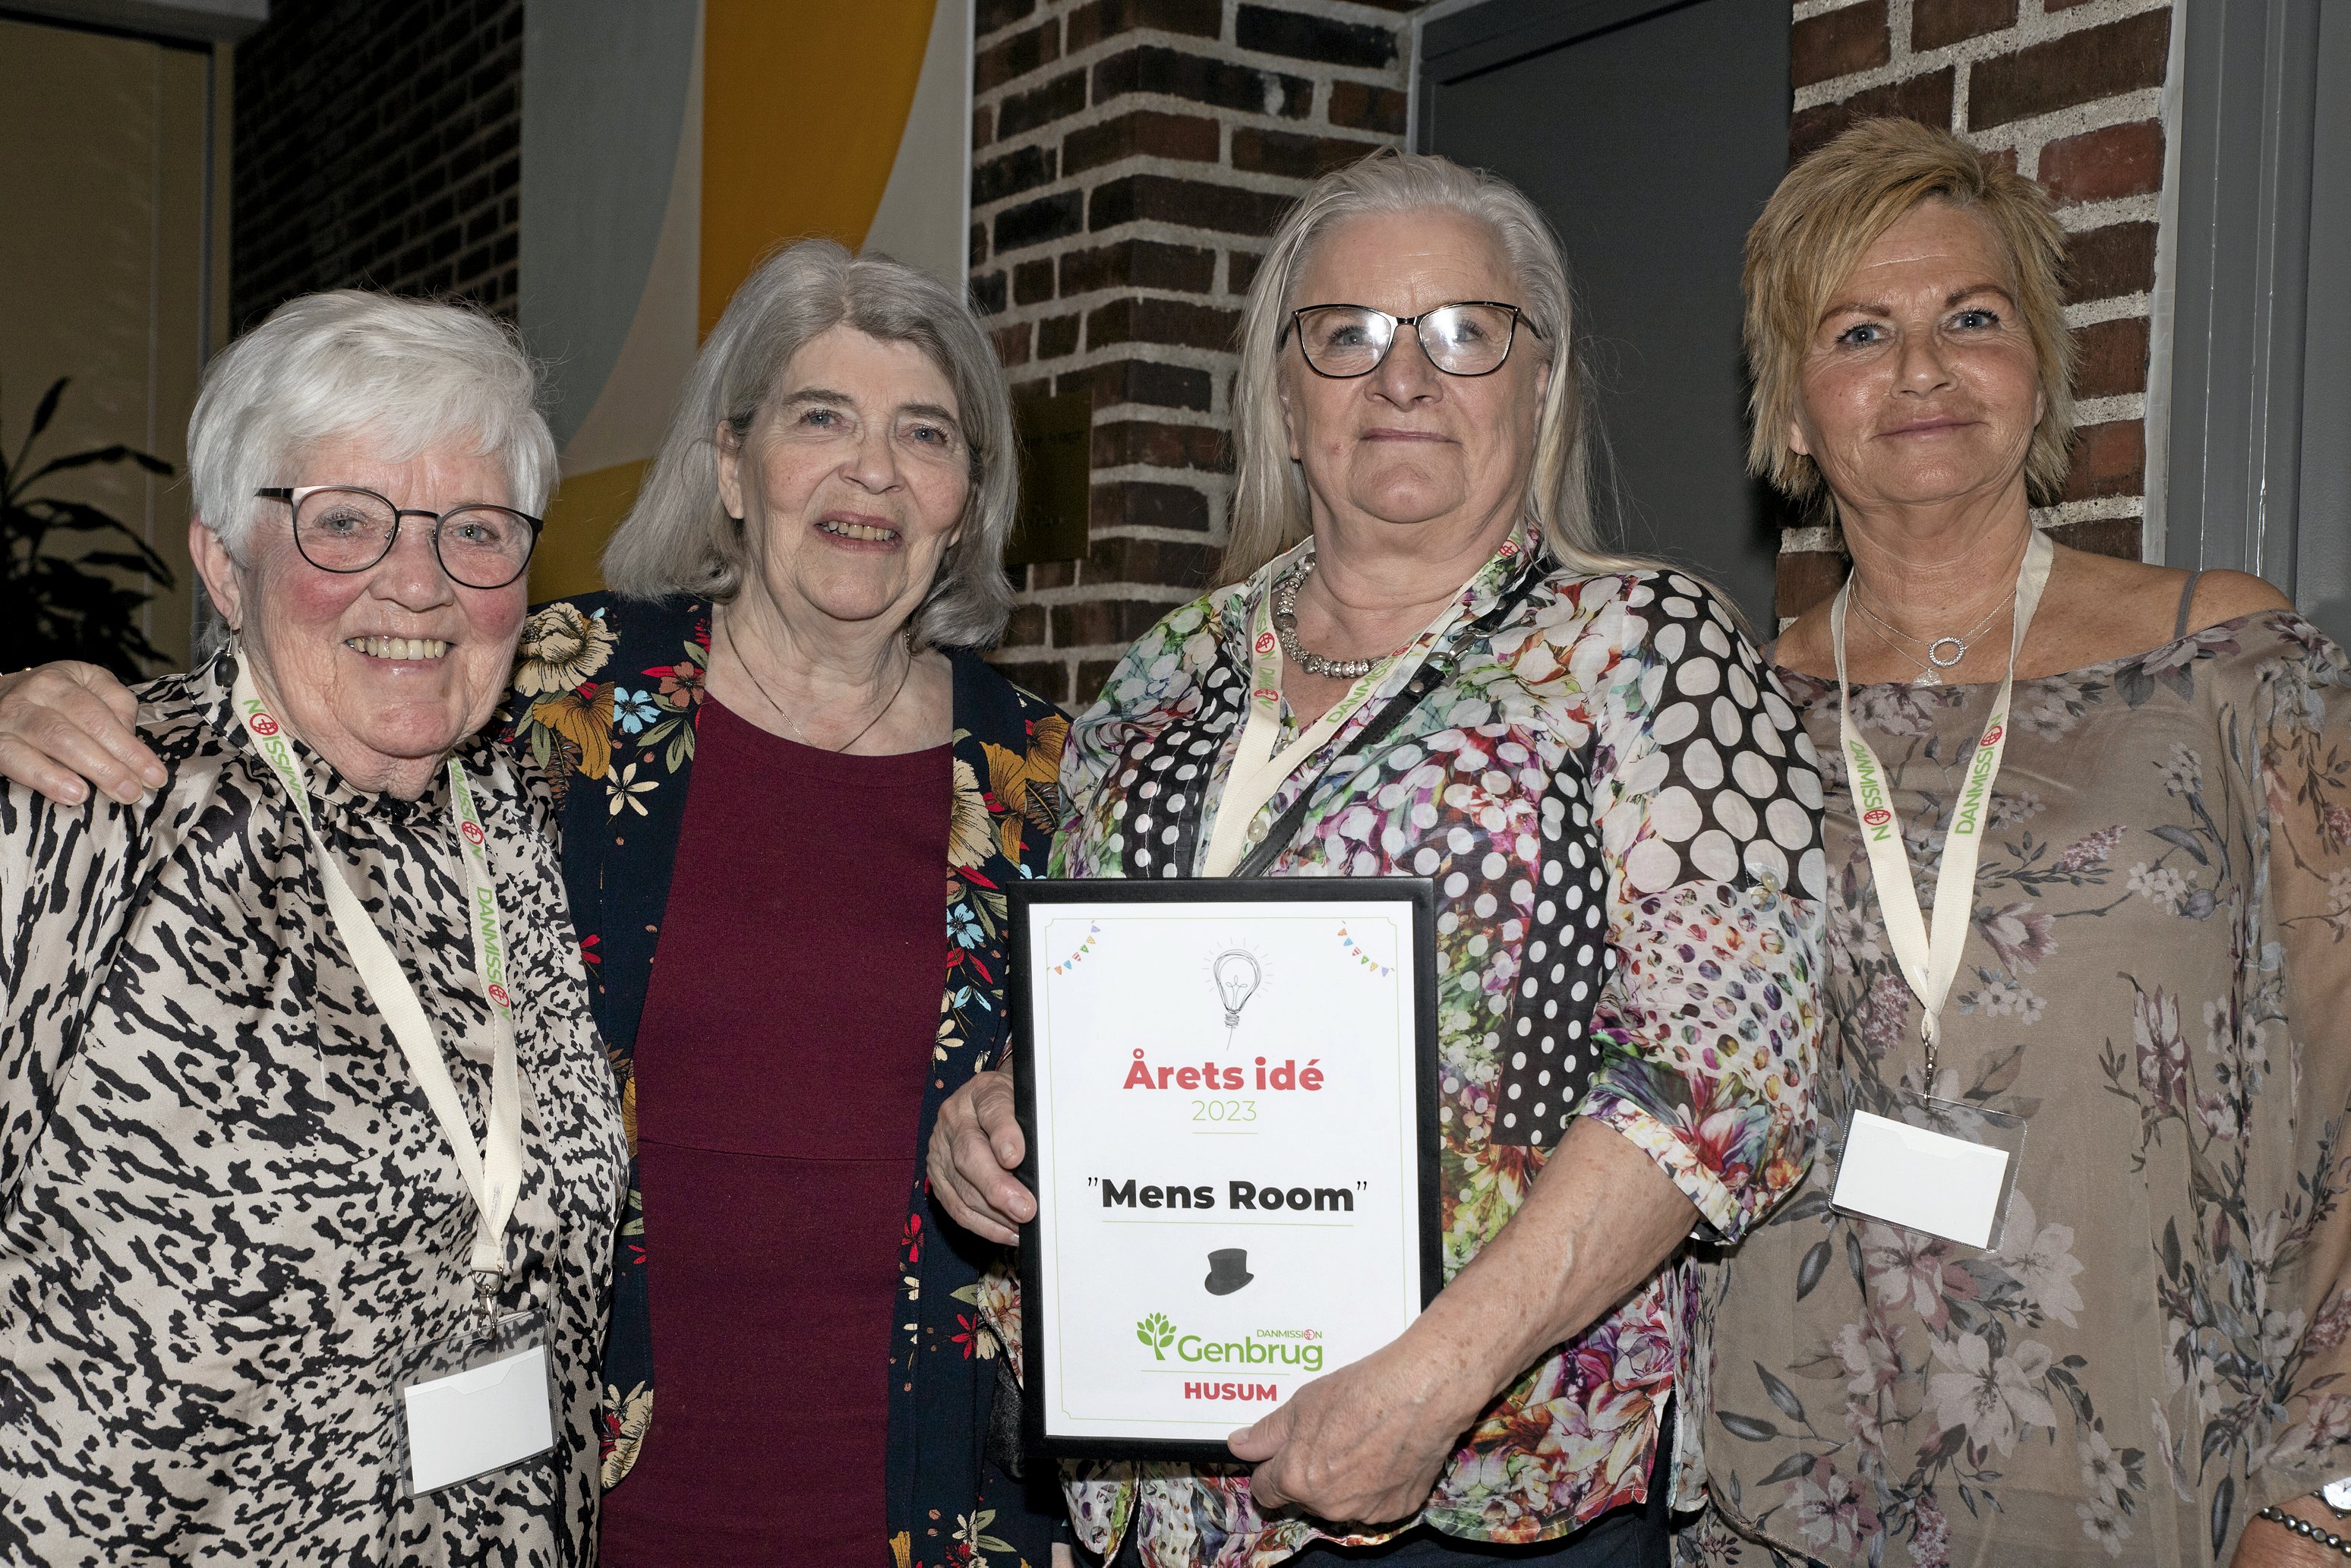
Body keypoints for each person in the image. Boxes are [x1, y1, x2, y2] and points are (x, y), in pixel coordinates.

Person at [0, 243, 1071, 1566]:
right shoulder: (560, 705)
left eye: (924, 433)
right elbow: (309, 706)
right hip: (602, 1503)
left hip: (927, 1497)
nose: (873, 471)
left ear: (966, 498)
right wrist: (29, 702)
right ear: (732, 467)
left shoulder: (1055, 785)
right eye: (820, 418)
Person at [930, 150, 1826, 1566]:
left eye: (1464, 332)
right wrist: (1000, 1114)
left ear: (1540, 382)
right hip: (1161, 1493)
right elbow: (1105, 1012)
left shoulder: (1648, 650)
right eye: (1347, 336)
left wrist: (1430, 1380)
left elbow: (1726, 1077)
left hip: (1479, 1496)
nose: (1403, 379)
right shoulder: (1162, 678)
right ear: (1286, 396)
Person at [1681, 118, 2351, 1568]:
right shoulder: (1727, 716)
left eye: (1970, 319)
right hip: (1786, 1495)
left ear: (2037, 369)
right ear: (1795, 411)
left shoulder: (2229, 663)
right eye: (1860, 330)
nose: (1921, 367)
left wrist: (2326, 1490)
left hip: (2166, 1479)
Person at [0, 290, 628, 1560]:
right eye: (344, 522)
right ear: (227, 564)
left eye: (475, 529)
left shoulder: (520, 827)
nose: (417, 582)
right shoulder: (90, 806)